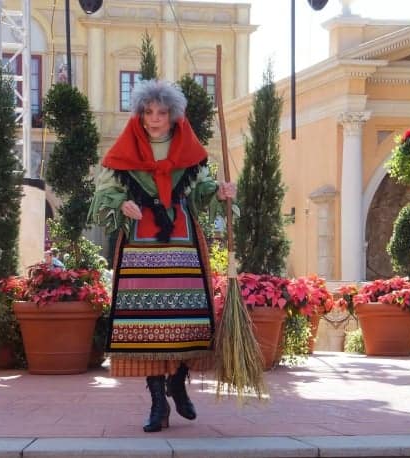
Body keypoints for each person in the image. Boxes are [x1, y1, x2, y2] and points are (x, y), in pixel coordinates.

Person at [89, 79, 235, 433]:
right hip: (140, 244)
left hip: (183, 242)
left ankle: (178, 382)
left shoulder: (188, 148)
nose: (154, 119)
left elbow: (200, 190)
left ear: (173, 115)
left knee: (188, 316)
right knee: (146, 322)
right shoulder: (124, 149)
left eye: (162, 112)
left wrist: (220, 190)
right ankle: (157, 403)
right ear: (140, 113)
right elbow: (102, 194)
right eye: (148, 112)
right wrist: (120, 203)